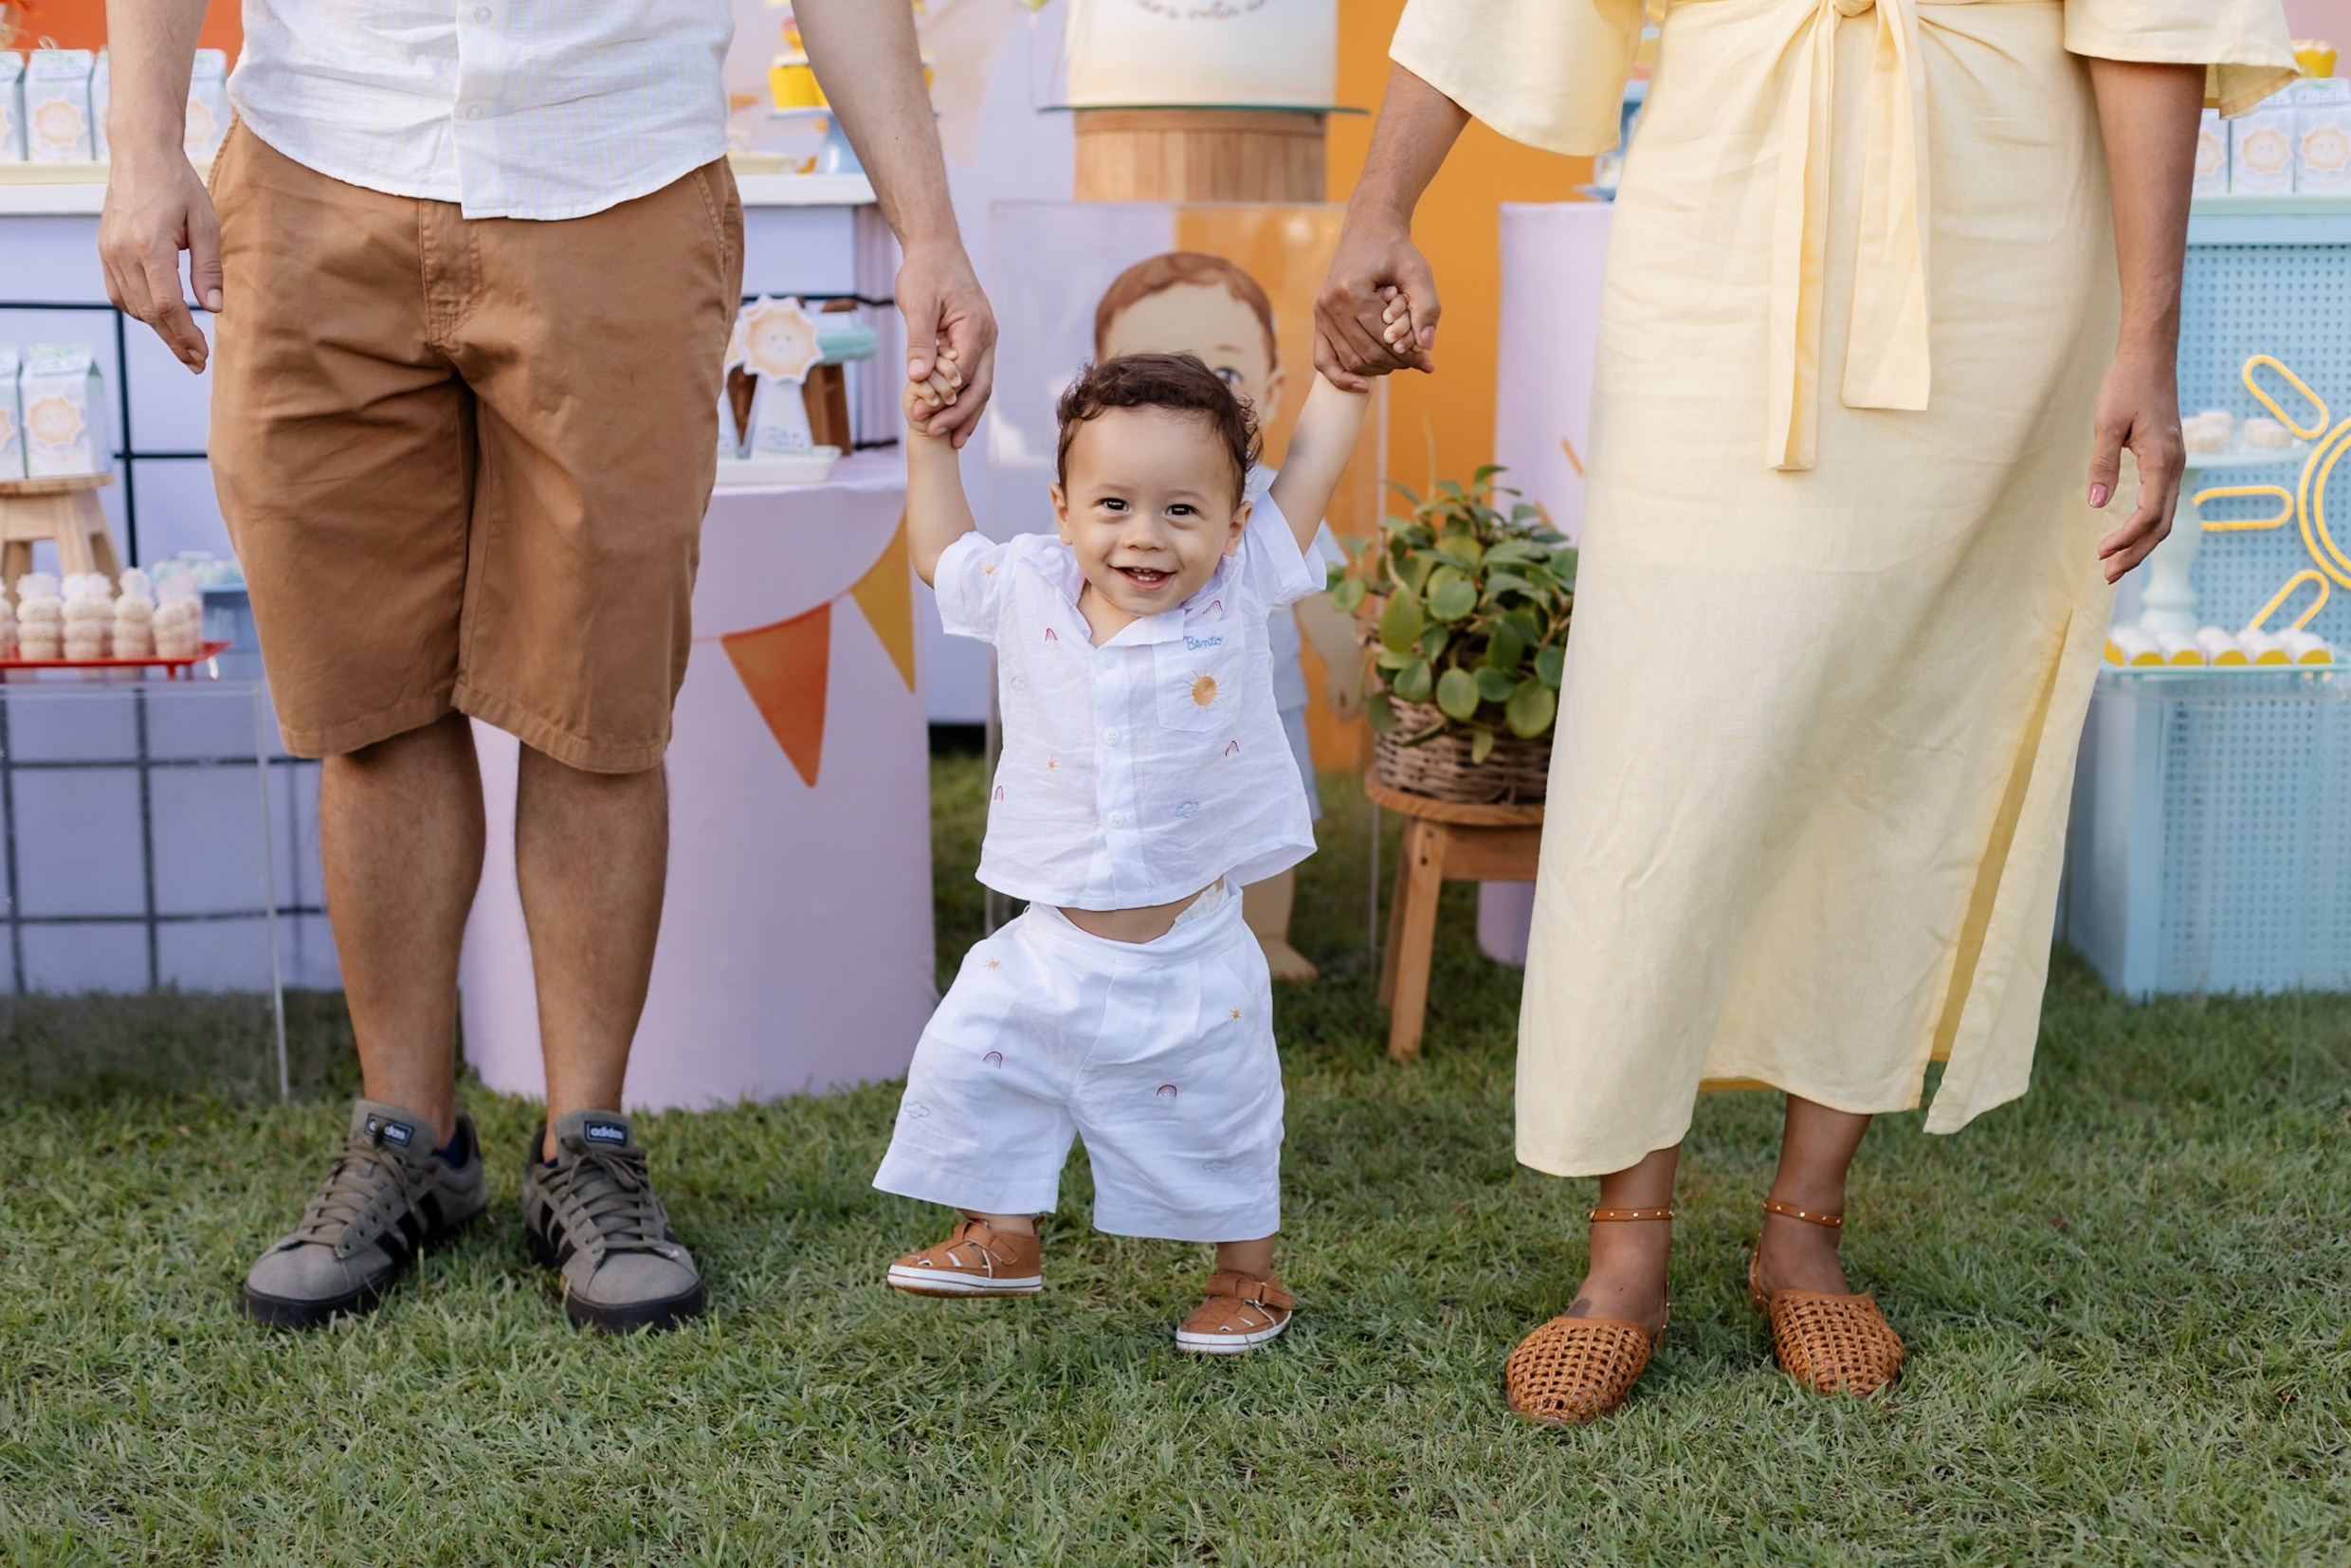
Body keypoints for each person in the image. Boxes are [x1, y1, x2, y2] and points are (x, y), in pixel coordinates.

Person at [1317, 0, 2296, 1421]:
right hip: (1724, 210)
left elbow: (2147, 21)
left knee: (1914, 714)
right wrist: (1381, 201)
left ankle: (1806, 1222)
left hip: (2004, 232)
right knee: (1670, 720)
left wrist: (2149, 337)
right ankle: (1623, 1248)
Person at [97, 0, 995, 1333]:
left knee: (599, 702)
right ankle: (407, 1136)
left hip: (619, 166)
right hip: (314, 158)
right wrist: (140, 144)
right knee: (369, 696)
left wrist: (929, 226)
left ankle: (588, 1144)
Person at [873, 346, 1380, 1351]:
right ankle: (1000, 1234)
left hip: (1191, 952)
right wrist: (930, 441)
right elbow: (938, 550)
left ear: (1236, 523)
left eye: (1181, 511)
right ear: (1062, 508)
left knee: (1225, 1117)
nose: (1143, 537)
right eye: (1113, 505)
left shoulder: (1239, 589)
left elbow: (1312, 469)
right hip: (1050, 939)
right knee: (972, 1060)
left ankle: (1247, 1280)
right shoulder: (1027, 584)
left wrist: (1346, 375)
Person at [1092, 251, 1363, 983]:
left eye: (1228, 376)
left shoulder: (1278, 498)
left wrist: (1341, 656)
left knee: (1272, 817)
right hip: (1153, 712)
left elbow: (1317, 584)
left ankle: (1267, 932)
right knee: (1165, 817)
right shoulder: (1106, 505)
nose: (1194, 401)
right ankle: (1163, 922)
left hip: (1264, 706)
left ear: (1273, 393)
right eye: (1153, 378)